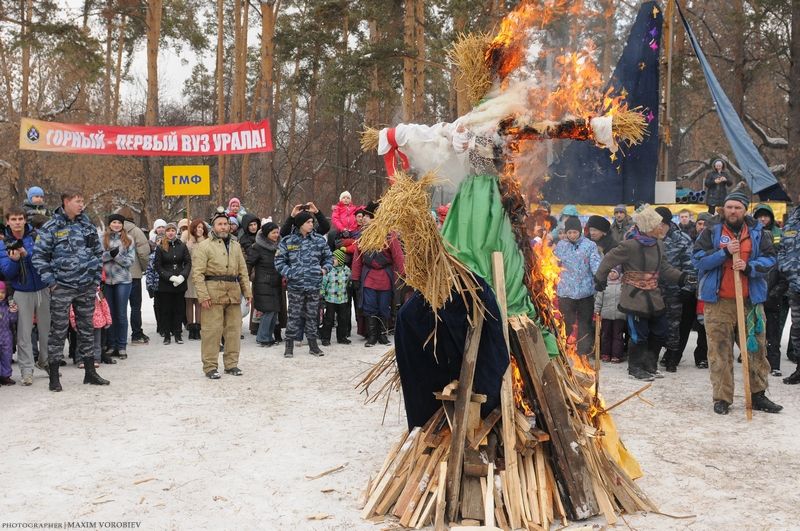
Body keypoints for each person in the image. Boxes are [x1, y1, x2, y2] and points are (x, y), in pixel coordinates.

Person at [692, 185, 782, 414]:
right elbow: (698, 261)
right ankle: (722, 398)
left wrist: (749, 266)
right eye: (729, 207)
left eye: (737, 207)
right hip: (719, 302)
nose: (733, 211)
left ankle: (758, 395)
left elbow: (770, 260)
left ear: (744, 210)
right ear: (724, 209)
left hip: (750, 301)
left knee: (756, 350)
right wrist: (723, 253)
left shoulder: (759, 232)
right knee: (719, 351)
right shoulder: (711, 231)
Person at [595, 205, 689, 381]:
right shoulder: (629, 246)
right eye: (657, 225)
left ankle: (650, 365)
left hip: (654, 296)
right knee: (639, 335)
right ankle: (635, 368)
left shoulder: (659, 244)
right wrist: (600, 279)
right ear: (648, 227)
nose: (661, 228)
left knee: (660, 331)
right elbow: (608, 259)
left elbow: (664, 267)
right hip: (635, 297)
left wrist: (682, 278)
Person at [32, 189, 110, 391]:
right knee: (57, 332)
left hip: (85, 286)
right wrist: (52, 281)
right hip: (62, 287)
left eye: (82, 200)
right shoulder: (51, 226)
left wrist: (94, 279)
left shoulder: (87, 225)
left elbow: (97, 253)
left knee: (87, 329)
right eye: (77, 201)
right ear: (66, 202)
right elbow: (39, 257)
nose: (81, 204)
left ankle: (90, 373)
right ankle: (54, 377)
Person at [191, 209, 251, 379]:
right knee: (212, 331)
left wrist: (247, 291)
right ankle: (210, 366)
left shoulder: (236, 245)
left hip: (233, 292)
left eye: (226, 224)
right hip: (212, 293)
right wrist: (203, 296)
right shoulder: (204, 246)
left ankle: (231, 364)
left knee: (233, 330)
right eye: (220, 224)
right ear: (214, 226)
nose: (224, 227)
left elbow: (242, 271)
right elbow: (198, 274)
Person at [0, 208, 50, 385]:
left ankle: (45, 361)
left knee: (46, 330)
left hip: (43, 288)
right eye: (13, 219)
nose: (17, 222)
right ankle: (26, 370)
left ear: (25, 220)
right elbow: (6, 272)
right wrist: (14, 261)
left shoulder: (36, 236)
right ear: (8, 222)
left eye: (20, 218)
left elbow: (46, 259)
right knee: (24, 333)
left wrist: (27, 257)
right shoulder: (3, 243)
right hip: (21, 290)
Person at [275, 211, 333, 358]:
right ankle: (289, 345)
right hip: (296, 286)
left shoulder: (319, 240)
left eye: (312, 222)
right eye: (308, 222)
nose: (311, 224)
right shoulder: (288, 241)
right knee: (293, 316)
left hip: (314, 285)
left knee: (312, 316)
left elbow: (329, 258)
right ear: (300, 224)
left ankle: (313, 345)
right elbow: (279, 261)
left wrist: (324, 270)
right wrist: (290, 273)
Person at [350, 202, 405, 348]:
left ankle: (382, 335)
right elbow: (358, 257)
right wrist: (355, 277)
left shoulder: (389, 234)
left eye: (367, 216)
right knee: (370, 306)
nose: (365, 219)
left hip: (385, 278)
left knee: (383, 306)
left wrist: (404, 273)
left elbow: (398, 255)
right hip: (369, 278)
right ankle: (372, 336)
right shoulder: (364, 235)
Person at [655, 206, 697, 373]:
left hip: (675, 291)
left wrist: (688, 288)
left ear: (665, 223)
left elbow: (691, 267)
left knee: (674, 325)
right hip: (653, 290)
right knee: (655, 324)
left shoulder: (682, 239)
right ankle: (653, 354)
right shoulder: (649, 237)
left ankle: (672, 357)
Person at [554, 216, 601, 357]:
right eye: (569, 233)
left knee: (584, 323)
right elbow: (555, 263)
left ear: (580, 231)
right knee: (567, 322)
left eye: (575, 232)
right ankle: (567, 349)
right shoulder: (561, 245)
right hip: (566, 291)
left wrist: (599, 276)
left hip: (585, 291)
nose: (572, 235)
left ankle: (583, 351)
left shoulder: (589, 245)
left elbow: (595, 263)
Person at [753, 203, 786, 376]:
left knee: (773, 332)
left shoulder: (778, 250)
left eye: (766, 216)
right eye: (760, 216)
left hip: (773, 296)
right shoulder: (751, 236)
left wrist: (775, 294)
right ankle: (755, 360)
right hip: (755, 295)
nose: (763, 219)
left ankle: (775, 363)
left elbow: (783, 277)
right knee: (755, 330)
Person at [102, 213, 136, 359]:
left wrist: (117, 256)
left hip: (123, 280)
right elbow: (98, 256)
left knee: (121, 314)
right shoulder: (103, 238)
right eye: (114, 222)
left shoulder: (129, 239)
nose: (116, 225)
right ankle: (111, 345)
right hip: (107, 281)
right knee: (109, 314)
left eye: (119, 223)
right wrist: (110, 254)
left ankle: (122, 346)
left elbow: (130, 261)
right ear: (110, 224)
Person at [247, 222, 283, 347]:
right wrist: (245, 278)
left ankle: (268, 336)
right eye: (273, 232)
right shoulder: (257, 247)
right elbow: (249, 263)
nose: (276, 235)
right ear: (267, 233)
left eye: (277, 232)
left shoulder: (278, 246)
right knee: (268, 310)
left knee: (274, 310)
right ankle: (262, 337)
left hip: (275, 283)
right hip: (263, 283)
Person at [155, 222, 191, 345]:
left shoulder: (182, 245)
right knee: (166, 309)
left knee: (179, 309)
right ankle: (167, 334)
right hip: (166, 284)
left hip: (180, 283)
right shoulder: (160, 247)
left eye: (173, 230)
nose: (171, 233)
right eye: (168, 230)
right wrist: (170, 277)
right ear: (165, 232)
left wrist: (183, 275)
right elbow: (158, 266)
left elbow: (187, 262)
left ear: (176, 232)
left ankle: (177, 333)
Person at [69, 273, 113, 367]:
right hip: (82, 323)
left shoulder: (98, 292)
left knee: (96, 343)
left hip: (97, 322)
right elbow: (72, 309)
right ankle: (80, 360)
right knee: (80, 342)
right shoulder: (76, 292)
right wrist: (74, 323)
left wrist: (108, 319)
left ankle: (96, 359)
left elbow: (105, 306)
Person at [779, 202, 800, 384]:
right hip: (795, 285)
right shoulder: (792, 220)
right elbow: (783, 250)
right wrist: (785, 268)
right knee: (797, 329)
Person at [125, 216, 151, 345]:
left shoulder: (112, 230)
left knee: (119, 308)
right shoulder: (136, 231)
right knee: (135, 306)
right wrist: (144, 267)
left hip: (116, 276)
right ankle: (136, 333)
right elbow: (143, 252)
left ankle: (118, 336)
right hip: (134, 274)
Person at [182, 219, 208, 341]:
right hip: (189, 273)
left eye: (202, 227)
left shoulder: (207, 242)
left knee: (199, 301)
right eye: (197, 227)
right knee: (189, 301)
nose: (200, 229)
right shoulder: (188, 241)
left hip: (201, 273)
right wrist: (188, 240)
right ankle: (190, 327)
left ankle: (198, 327)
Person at [320, 248, 352, 346]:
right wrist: (322, 294)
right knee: (328, 319)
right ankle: (326, 338)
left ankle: (342, 337)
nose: (332, 261)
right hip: (330, 299)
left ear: (340, 260)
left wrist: (349, 285)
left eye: (334, 259)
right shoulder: (329, 270)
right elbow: (323, 282)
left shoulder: (346, 270)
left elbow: (349, 282)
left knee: (343, 318)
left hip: (342, 299)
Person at [594, 267, 626, 363]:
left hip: (619, 315)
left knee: (618, 335)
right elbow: (599, 300)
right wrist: (597, 311)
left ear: (619, 274)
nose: (612, 274)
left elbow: (626, 300)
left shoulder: (623, 285)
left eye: (614, 272)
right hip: (606, 314)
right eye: (610, 272)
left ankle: (616, 355)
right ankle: (605, 354)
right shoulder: (604, 285)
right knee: (606, 335)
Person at [0, 282, 18, 385]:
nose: (0, 295)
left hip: (6, 336)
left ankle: (5, 376)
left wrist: (13, 312)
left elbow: (12, 320)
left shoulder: (7, 306)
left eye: (2, 292)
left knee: (7, 357)